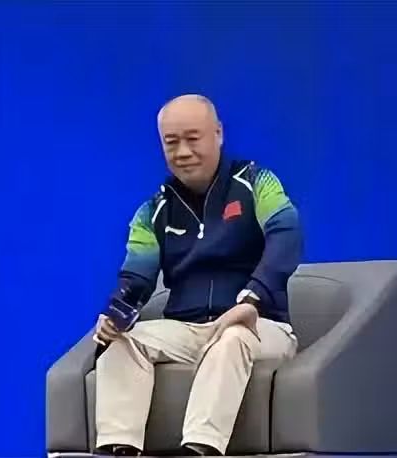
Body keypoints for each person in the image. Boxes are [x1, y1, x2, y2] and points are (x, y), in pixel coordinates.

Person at [93, 94, 302, 456]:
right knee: (123, 343)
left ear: (218, 134)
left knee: (232, 338)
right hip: (187, 328)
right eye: (171, 142)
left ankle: (200, 449)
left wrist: (252, 299)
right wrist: (116, 314)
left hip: (259, 324)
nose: (183, 152)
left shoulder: (256, 182)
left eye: (193, 138)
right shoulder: (154, 210)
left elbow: (287, 234)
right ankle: (117, 448)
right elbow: (137, 274)